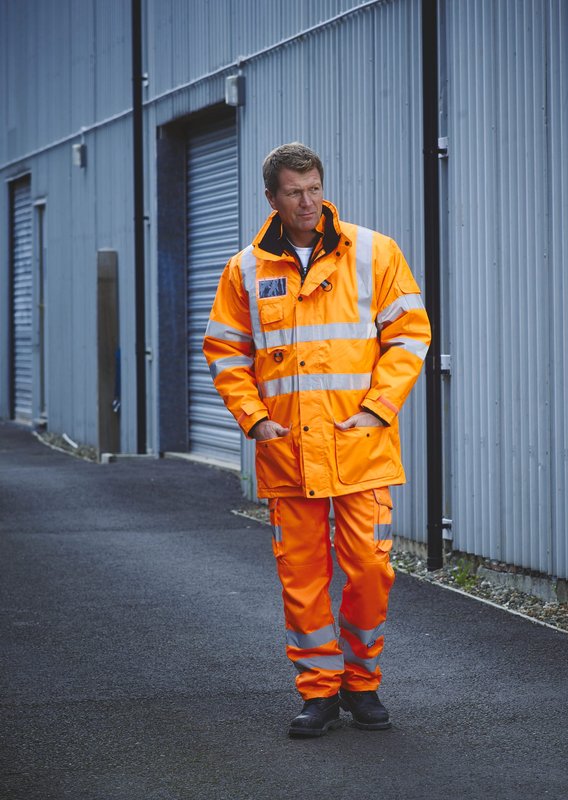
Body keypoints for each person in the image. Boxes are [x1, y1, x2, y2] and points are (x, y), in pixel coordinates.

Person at [203, 142, 431, 738]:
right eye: (294, 192)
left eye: (314, 189)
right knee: (302, 579)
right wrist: (255, 420)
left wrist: (378, 410)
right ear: (271, 198)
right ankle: (319, 691)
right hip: (287, 449)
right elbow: (226, 353)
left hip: (360, 445)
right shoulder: (245, 270)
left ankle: (362, 681)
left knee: (371, 569)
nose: (307, 202)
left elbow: (410, 336)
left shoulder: (374, 252)